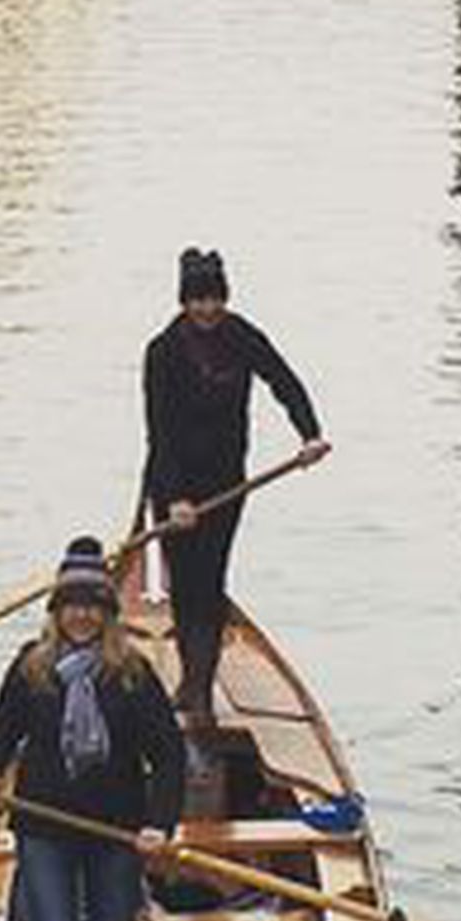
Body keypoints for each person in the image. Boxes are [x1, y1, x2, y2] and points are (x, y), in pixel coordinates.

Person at [0, 536, 185, 921]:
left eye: (92, 606)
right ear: (57, 612)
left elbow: (169, 755)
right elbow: (0, 730)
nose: (81, 616)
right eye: (72, 606)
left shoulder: (132, 673)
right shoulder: (32, 667)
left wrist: (160, 825)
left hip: (115, 831)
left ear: (108, 614)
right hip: (45, 830)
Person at [144, 249, 330, 725]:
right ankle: (194, 683)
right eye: (198, 300)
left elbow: (283, 381)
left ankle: (199, 689)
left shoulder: (241, 336)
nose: (207, 309)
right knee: (185, 585)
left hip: (227, 481)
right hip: (175, 485)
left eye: (215, 299)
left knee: (210, 579)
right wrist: (175, 498)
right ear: (184, 302)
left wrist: (309, 434)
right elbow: (159, 431)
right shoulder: (163, 351)